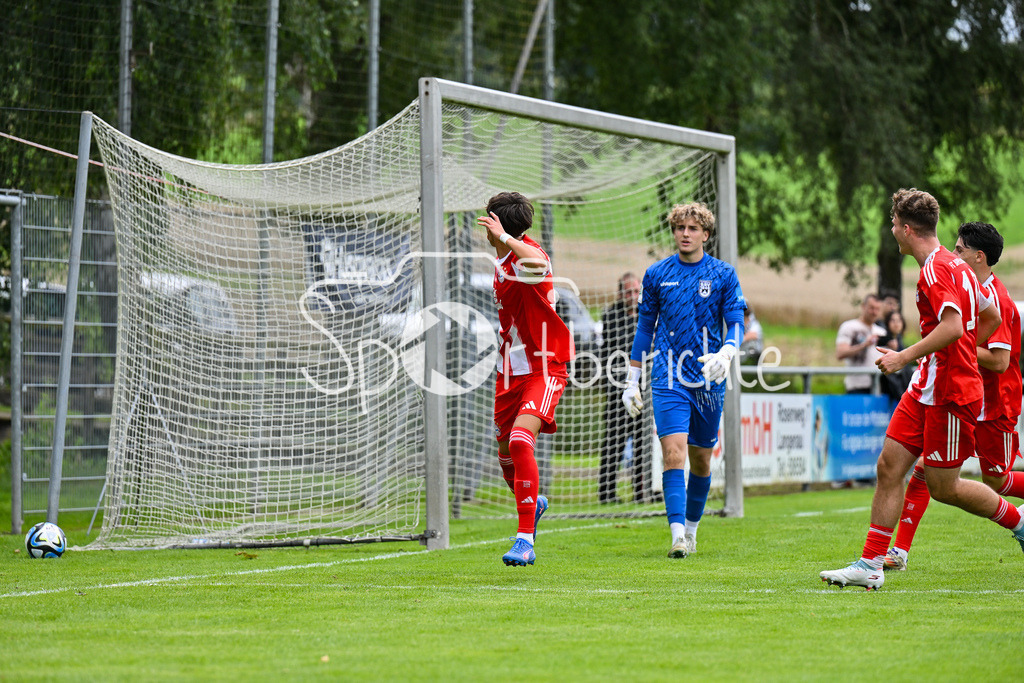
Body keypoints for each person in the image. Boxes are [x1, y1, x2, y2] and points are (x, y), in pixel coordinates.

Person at [820, 189, 1024, 591]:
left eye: (894, 224)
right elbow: (989, 314)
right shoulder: (956, 265)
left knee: (944, 487)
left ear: (907, 229)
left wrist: (906, 356)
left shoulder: (937, 269)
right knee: (889, 466)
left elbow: (952, 327)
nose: (893, 231)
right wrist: (950, 351)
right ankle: (871, 563)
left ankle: (1019, 523)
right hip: (927, 387)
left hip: (950, 392)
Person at [883, 221, 1024, 571]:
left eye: (960, 249)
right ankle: (896, 552)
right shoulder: (963, 282)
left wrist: (956, 347)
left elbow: (1001, 360)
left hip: (994, 404)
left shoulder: (1000, 300)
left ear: (979, 257)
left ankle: (1018, 524)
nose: (954, 252)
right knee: (922, 472)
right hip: (965, 393)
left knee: (998, 481)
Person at [622, 202, 745, 558]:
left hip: (708, 376)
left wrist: (727, 353)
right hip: (667, 375)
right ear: (674, 232)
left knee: (701, 460)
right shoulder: (657, 274)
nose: (685, 234)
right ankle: (677, 535)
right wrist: (633, 380)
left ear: (705, 234)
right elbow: (645, 328)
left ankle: (692, 530)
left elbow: (736, 320)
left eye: (693, 229)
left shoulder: (723, 274)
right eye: (680, 228)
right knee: (673, 454)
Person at [478, 191, 575, 567]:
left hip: (545, 366)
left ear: (496, 224)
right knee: (505, 453)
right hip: (509, 373)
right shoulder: (503, 260)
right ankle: (534, 504)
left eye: (489, 222)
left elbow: (536, 262)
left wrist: (504, 237)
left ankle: (524, 540)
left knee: (521, 441)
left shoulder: (528, 255)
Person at [598, 272, 651, 504]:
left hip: (645, 388)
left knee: (643, 442)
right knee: (614, 442)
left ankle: (642, 490)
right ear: (621, 294)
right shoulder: (611, 316)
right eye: (628, 291)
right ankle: (607, 493)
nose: (632, 296)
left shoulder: (647, 315)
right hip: (619, 388)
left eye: (636, 291)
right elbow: (620, 348)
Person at [835, 294, 886, 394]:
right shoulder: (849, 327)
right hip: (856, 386)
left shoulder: (881, 332)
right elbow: (840, 353)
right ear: (863, 306)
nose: (874, 312)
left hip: (878, 387)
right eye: (871, 308)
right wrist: (864, 345)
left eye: (877, 309)